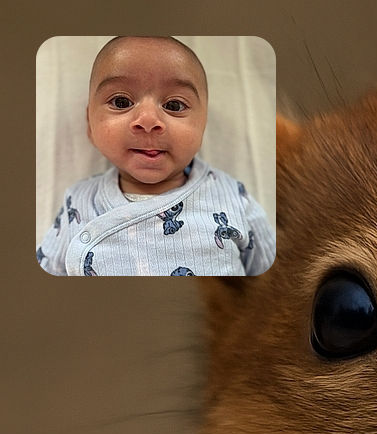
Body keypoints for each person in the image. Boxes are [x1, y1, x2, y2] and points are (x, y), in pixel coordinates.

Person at [37, 36, 275, 277]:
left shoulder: (234, 198)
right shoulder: (78, 201)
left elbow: (274, 283)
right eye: (121, 102)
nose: (148, 121)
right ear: (90, 124)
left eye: (174, 105)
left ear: (203, 125)